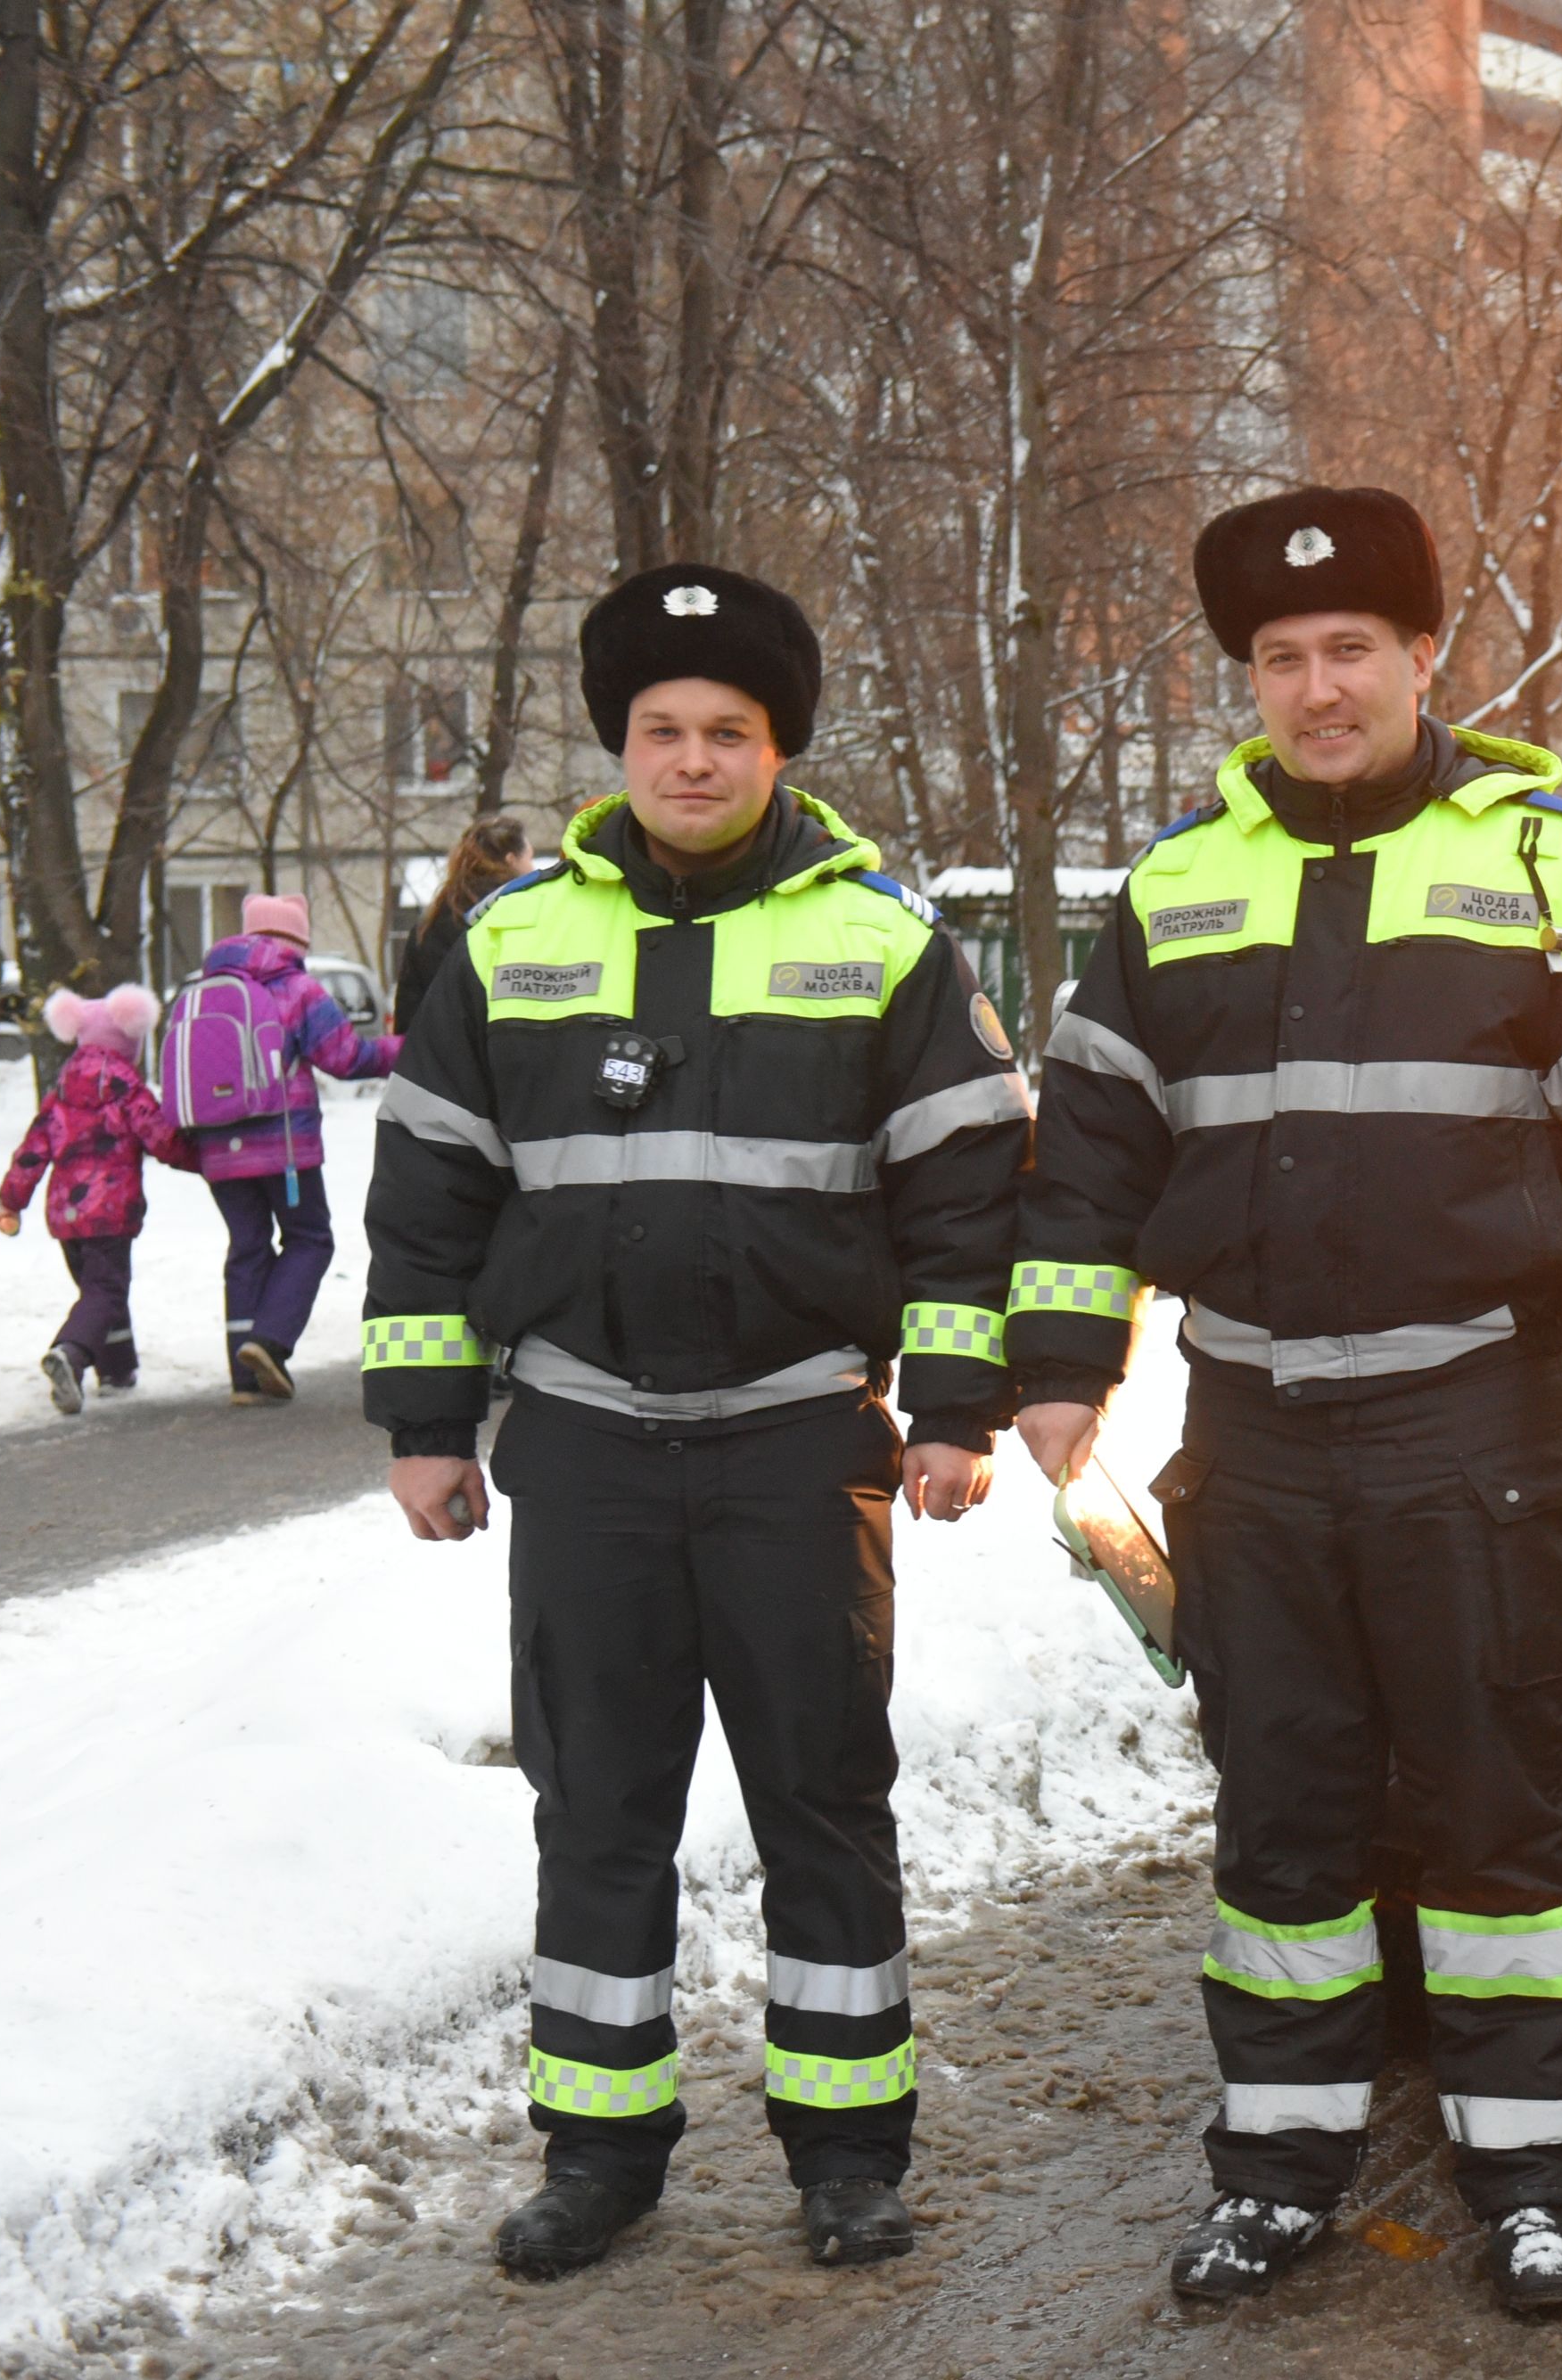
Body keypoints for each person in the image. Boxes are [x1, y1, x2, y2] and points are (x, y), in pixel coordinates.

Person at [1008, 487, 1562, 2317]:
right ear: (1245, 678)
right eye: (1279, 659)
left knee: (1494, 1812)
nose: (1316, 688)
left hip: (1467, 1428)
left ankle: (1531, 2170)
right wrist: (1058, 1370)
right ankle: (1277, 2168)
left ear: (1423, 657)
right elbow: (1089, 1149)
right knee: (1284, 1817)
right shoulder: (1175, 888)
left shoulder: (1547, 864)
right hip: (1250, 1437)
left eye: (1349, 651)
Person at [358, 563, 1032, 2281]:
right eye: (661, 729)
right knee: (598, 1814)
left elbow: (969, 1197)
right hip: (582, 1446)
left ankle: (847, 2154)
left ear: (777, 750)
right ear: (622, 747)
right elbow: (430, 1196)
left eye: (727, 730)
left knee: (821, 1797)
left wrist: (955, 1406)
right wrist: (427, 1421)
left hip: (797, 1444)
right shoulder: (511, 940)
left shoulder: (880, 940)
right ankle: (599, 2153)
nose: (692, 757)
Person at [177, 893, 399, 1404]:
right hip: (284, 1146)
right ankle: (270, 1342)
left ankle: (244, 1378)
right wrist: (410, 1048)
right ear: (296, 940)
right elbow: (345, 1057)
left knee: (247, 1247)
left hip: (217, 1149)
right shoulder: (298, 988)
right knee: (309, 1238)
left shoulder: (201, 990)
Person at [0, 986, 191, 1410]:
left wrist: (9, 1200)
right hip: (110, 1211)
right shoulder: (128, 1088)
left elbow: (32, 1151)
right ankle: (71, 1352)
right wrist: (204, 1158)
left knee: (98, 1290)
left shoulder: (61, 1090)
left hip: (65, 1215)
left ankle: (117, 1370)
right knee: (106, 1290)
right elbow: (163, 1140)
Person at [398, 812, 538, 1030]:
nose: (534, 867)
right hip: (501, 1052)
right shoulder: (519, 917)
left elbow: (409, 1008)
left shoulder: (432, 920)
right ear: (512, 860)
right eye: (530, 858)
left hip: (439, 1054)